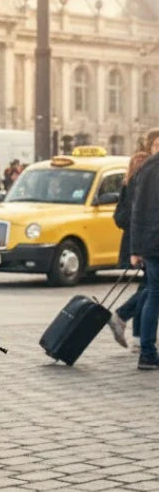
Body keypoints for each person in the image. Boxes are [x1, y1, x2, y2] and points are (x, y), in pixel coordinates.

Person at [109, 148, 148, 349]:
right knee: (150, 289)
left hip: (138, 241)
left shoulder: (129, 183)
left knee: (147, 287)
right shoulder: (137, 184)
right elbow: (131, 215)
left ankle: (139, 337)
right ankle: (123, 316)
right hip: (143, 242)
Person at [129, 127, 159, 371]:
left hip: (150, 244)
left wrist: (136, 248)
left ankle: (147, 352)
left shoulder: (146, 168)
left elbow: (137, 210)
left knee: (153, 294)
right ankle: (147, 351)